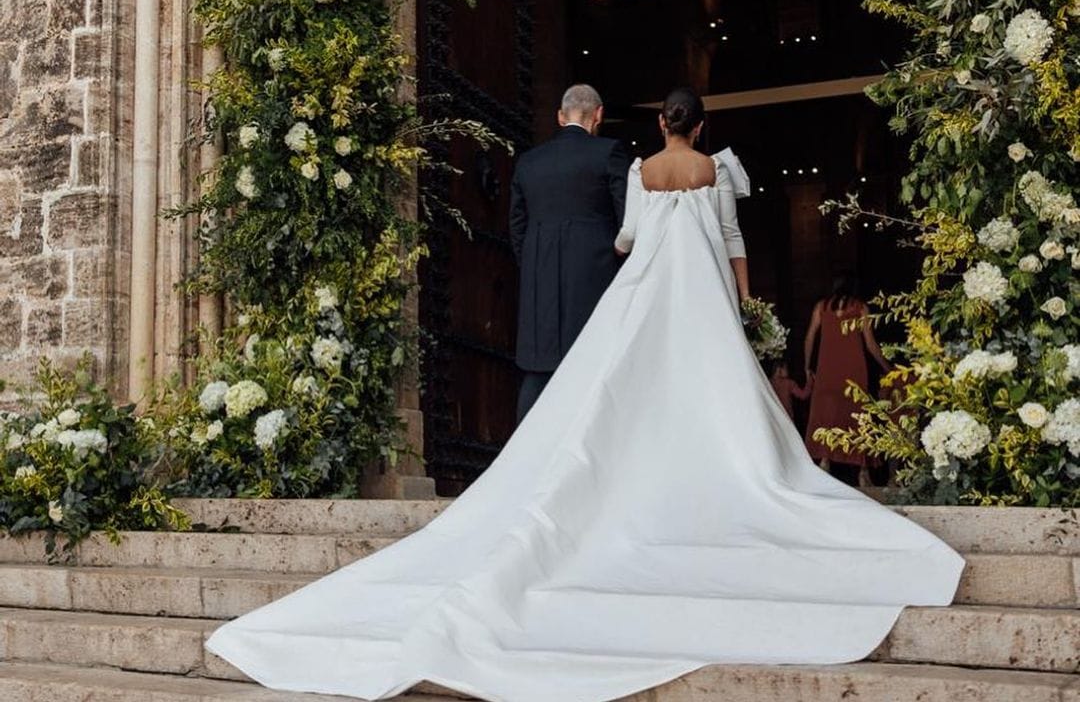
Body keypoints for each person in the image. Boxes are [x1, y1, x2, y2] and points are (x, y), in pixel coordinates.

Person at [205, 86, 963, 702]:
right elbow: (731, 240)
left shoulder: (632, 171)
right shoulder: (713, 172)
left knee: (610, 386)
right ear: (698, 126)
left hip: (642, 287)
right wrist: (743, 301)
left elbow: (627, 239)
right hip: (698, 294)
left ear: (656, 124)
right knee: (708, 388)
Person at [508, 84, 629, 422]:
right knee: (595, 372)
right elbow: (629, 223)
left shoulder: (529, 162)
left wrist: (534, 264)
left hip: (539, 285)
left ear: (560, 117)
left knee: (537, 375)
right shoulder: (609, 153)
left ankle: (525, 463)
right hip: (595, 280)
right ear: (599, 115)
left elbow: (517, 227)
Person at [803, 272, 892, 487]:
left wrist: (807, 367)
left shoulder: (821, 308)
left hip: (827, 370)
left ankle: (825, 462)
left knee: (827, 414)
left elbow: (809, 338)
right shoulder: (860, 308)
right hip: (854, 371)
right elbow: (871, 346)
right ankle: (862, 471)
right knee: (857, 416)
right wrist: (887, 368)